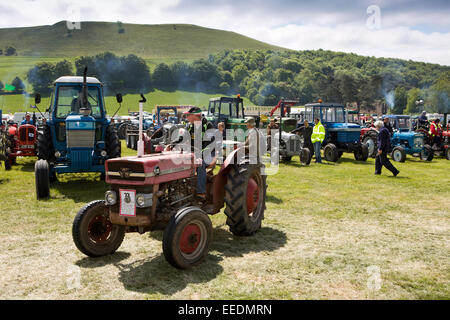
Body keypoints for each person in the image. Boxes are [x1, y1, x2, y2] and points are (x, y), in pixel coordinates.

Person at [170, 106, 214, 199]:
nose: (186, 117)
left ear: (195, 116)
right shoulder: (190, 126)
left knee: (200, 164)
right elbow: (182, 138)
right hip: (195, 153)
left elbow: (209, 145)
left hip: (208, 154)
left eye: (188, 115)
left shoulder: (208, 126)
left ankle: (201, 192)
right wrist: (172, 144)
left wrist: (200, 156)